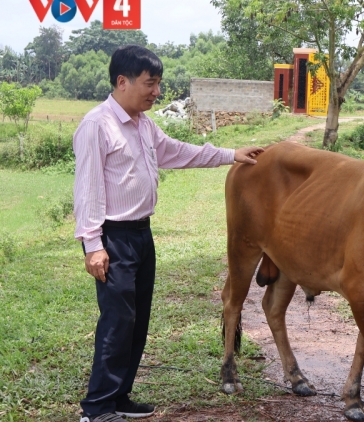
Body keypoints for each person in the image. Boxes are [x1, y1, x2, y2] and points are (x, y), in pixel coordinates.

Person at [73, 45, 264, 422]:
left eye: (158, 84)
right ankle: (96, 409)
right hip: (113, 237)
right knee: (116, 322)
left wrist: (231, 153)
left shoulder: (144, 124)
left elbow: (178, 152)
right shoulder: (97, 125)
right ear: (123, 81)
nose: (156, 92)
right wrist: (93, 246)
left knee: (136, 321)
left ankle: (120, 397)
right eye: (150, 83)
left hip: (141, 235)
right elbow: (88, 190)